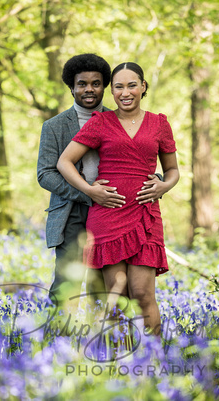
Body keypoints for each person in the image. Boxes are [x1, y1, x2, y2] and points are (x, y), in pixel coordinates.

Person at [57, 61, 179, 333]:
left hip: (146, 215)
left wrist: (164, 186)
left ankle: (153, 362)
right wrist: (90, 190)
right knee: (116, 297)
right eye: (119, 86)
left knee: (143, 294)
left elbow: (172, 170)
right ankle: (120, 367)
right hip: (108, 217)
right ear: (112, 91)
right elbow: (64, 162)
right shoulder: (101, 122)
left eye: (132, 85)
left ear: (143, 87)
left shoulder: (159, 124)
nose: (126, 92)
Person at [37, 54, 163, 311]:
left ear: (105, 86)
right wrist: (89, 194)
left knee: (104, 290)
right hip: (72, 213)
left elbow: (139, 157)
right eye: (82, 84)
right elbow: (46, 174)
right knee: (66, 284)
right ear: (71, 87)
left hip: (115, 211)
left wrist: (156, 181)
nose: (89, 89)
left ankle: (103, 346)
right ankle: (56, 347)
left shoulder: (119, 117)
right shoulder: (55, 126)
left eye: (96, 83)